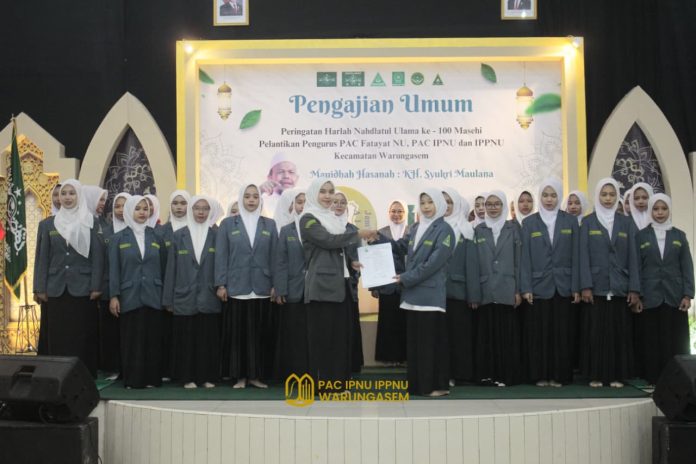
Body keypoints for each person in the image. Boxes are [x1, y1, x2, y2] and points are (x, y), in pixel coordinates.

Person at [299, 178, 376, 392]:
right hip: (321, 287)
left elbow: (336, 250)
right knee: (323, 339)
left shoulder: (333, 218)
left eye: (330, 191)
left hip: (341, 286)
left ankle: (338, 384)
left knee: (338, 339)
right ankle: (322, 385)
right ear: (314, 194)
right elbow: (328, 241)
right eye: (322, 191)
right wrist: (357, 234)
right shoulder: (308, 218)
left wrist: (351, 263)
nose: (327, 195)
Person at [33, 179, 104, 377]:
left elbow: (98, 257)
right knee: (58, 334)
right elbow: (41, 257)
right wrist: (39, 287)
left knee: (81, 334)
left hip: (83, 288)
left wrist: (96, 285)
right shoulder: (47, 224)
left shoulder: (91, 222)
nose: (67, 197)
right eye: (63, 194)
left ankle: (82, 376)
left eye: (72, 193)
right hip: (55, 288)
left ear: (79, 196)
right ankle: (56, 375)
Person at [390, 189, 454, 396]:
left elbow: (433, 264)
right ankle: (417, 385)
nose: (426, 207)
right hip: (411, 296)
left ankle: (435, 386)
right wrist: (374, 240)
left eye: (430, 202)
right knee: (415, 345)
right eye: (423, 202)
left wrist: (405, 278)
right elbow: (400, 248)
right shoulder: (416, 227)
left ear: (439, 204)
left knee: (430, 344)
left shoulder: (445, 230)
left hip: (430, 297)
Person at [579, 177, 640, 388]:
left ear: (617, 197)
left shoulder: (626, 222)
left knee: (618, 333)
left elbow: (633, 257)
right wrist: (585, 285)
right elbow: (583, 256)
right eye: (604, 194)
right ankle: (595, 375)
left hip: (620, 286)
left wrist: (634, 288)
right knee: (595, 333)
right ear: (597, 196)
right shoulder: (587, 222)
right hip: (596, 287)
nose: (608, 198)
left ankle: (617, 376)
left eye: (612, 194)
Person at [216, 184, 277, 389]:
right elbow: (221, 256)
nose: (251, 200)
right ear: (241, 199)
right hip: (236, 287)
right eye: (247, 196)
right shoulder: (227, 224)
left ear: (260, 200)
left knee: (259, 335)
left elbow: (275, 257)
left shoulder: (269, 224)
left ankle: (256, 376)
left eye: (255, 197)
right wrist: (221, 284)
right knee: (238, 336)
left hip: (262, 287)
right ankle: (240, 377)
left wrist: (276, 284)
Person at [520, 178, 580, 387]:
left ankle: (559, 375)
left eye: (553, 195)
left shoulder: (570, 221)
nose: (549, 199)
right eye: (545, 195)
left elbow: (576, 256)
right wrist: (526, 287)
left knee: (562, 333)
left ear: (559, 196)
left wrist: (576, 286)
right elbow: (524, 258)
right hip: (539, 286)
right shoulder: (529, 223)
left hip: (564, 286)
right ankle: (541, 375)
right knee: (540, 333)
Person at [634, 193, 694, 385]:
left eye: (664, 208)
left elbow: (687, 266)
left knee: (674, 339)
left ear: (669, 210)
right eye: (656, 209)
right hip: (650, 296)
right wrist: (638, 295)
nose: (660, 212)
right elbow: (637, 267)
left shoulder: (679, 236)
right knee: (652, 339)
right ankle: (653, 378)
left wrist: (688, 294)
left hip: (674, 296)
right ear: (650, 211)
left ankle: (677, 379)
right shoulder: (641, 236)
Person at [163, 195, 222, 389]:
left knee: (207, 339)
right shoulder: (178, 235)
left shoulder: (216, 235)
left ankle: (207, 377)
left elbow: (221, 265)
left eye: (205, 208)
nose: (201, 212)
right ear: (191, 210)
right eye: (197, 208)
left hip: (208, 296)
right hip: (184, 296)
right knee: (186, 340)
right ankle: (187, 377)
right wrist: (168, 299)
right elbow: (171, 269)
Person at [109, 195, 167, 389]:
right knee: (131, 339)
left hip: (153, 294)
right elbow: (114, 269)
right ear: (129, 211)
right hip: (129, 295)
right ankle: (133, 380)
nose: (142, 212)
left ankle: (152, 379)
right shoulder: (118, 238)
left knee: (153, 338)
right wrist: (114, 296)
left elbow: (164, 266)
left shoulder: (156, 236)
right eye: (138, 208)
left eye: (145, 209)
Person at [474, 191, 523, 387]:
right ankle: (487, 374)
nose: (493, 208)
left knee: (506, 335)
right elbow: (474, 262)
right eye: (489, 204)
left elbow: (519, 261)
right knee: (486, 335)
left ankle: (506, 375)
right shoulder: (478, 229)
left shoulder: (513, 228)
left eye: (497, 204)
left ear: (503, 206)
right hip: (485, 289)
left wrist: (518, 290)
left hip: (507, 288)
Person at [442, 188, 479, 386]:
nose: (446, 206)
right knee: (440, 335)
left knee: (459, 334)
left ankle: (459, 374)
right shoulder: (432, 226)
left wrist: (473, 294)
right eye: (443, 201)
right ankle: (442, 373)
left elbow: (471, 265)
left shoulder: (467, 230)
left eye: (450, 202)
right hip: (436, 292)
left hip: (459, 292)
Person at [273, 190, 309, 381]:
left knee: (312, 334)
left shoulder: (318, 228)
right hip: (293, 290)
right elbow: (281, 262)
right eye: (299, 202)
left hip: (315, 290)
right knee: (294, 334)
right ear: (293, 205)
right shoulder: (286, 230)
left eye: (306, 202)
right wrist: (280, 289)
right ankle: (293, 374)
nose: (302, 206)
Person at [97, 192, 131, 379]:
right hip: (108, 289)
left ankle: (128, 367)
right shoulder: (105, 232)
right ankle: (112, 368)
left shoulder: (138, 232)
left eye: (125, 206)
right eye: (117, 206)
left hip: (130, 289)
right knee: (110, 332)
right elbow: (100, 262)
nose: (120, 210)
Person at [373, 200, 409, 366]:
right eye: (393, 211)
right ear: (388, 213)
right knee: (387, 322)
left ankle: (404, 357)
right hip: (386, 285)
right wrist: (374, 287)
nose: (396, 214)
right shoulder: (380, 233)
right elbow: (373, 259)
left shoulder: (412, 231)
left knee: (405, 322)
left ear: (405, 213)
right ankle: (388, 358)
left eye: (400, 211)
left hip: (407, 285)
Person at [332, 190, 364, 373]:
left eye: (342, 202)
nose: (338, 205)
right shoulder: (324, 227)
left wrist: (354, 272)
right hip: (329, 285)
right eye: (335, 201)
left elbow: (358, 257)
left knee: (348, 325)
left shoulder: (353, 230)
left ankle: (350, 365)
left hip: (349, 286)